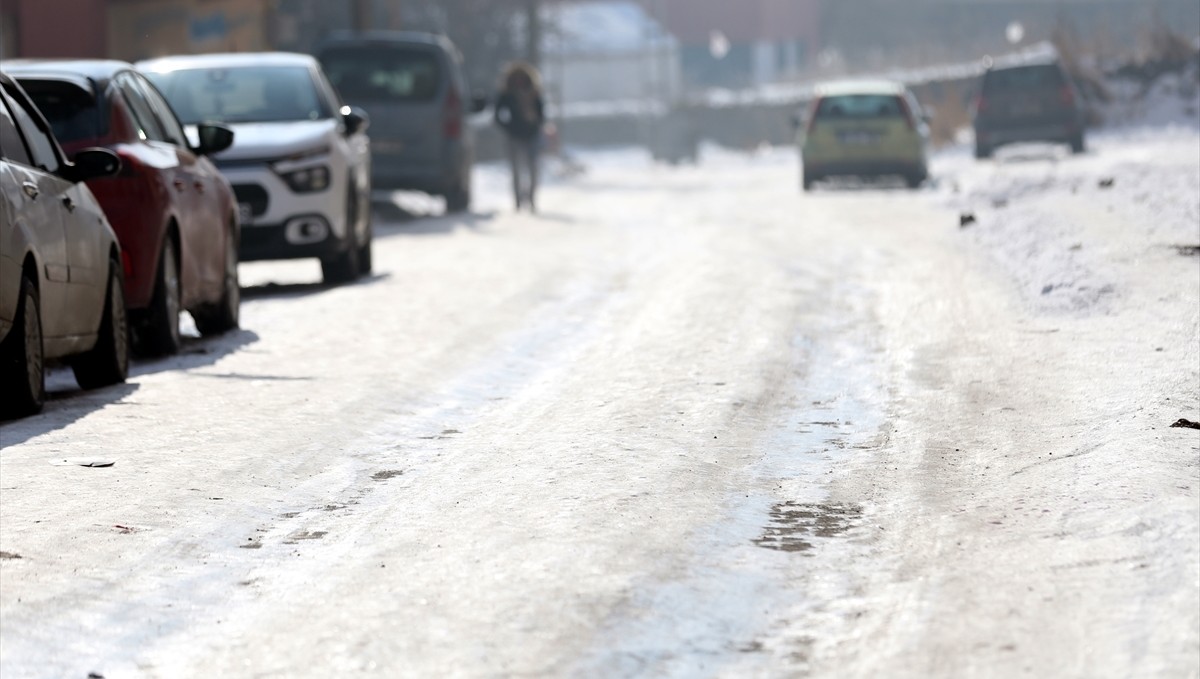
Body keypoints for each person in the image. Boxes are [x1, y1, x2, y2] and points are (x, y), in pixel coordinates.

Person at [493, 62, 546, 212]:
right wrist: (509, 128)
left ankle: (531, 199)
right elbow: (497, 115)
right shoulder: (507, 95)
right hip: (514, 136)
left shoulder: (534, 93)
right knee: (515, 170)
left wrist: (535, 125)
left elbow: (542, 115)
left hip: (532, 136)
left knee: (533, 169)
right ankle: (517, 202)